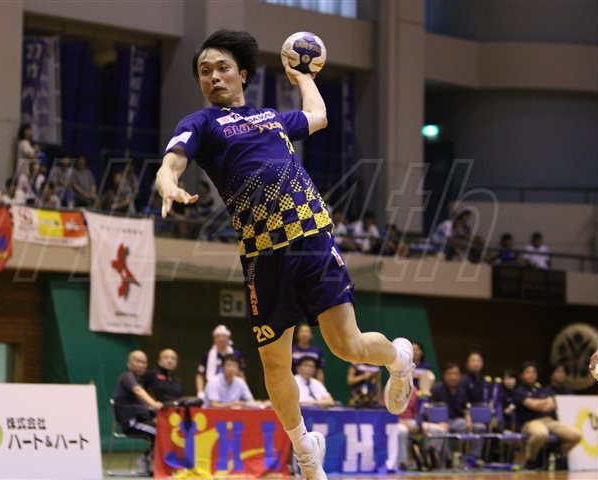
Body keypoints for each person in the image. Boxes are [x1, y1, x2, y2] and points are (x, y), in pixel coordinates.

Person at [155, 30, 414, 479]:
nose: (213, 77)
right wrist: (167, 184)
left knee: (346, 345)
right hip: (262, 257)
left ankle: (399, 359)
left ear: (243, 74)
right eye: (204, 71)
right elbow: (172, 161)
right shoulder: (201, 123)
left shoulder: (272, 118)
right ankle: (305, 448)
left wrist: (303, 76)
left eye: (222, 68)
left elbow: (318, 116)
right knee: (274, 366)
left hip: (310, 236)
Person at [514, 361, 580, 470]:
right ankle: (530, 460)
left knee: (575, 435)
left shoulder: (542, 389)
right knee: (541, 434)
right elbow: (533, 405)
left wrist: (538, 403)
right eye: (528, 372)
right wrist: (543, 402)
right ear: (522, 375)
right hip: (530, 422)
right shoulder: (519, 391)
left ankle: (559, 455)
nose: (531, 375)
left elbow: (551, 406)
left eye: (534, 372)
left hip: (548, 420)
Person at [113, 351, 161, 475]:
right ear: (129, 363)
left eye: (144, 362)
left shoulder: (139, 380)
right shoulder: (127, 376)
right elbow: (138, 391)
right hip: (131, 423)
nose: (141, 365)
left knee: (166, 430)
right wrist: (154, 404)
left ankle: (151, 462)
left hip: (141, 420)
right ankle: (146, 461)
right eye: (137, 361)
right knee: (162, 434)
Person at [427, 363, 485, 460]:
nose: (453, 377)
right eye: (450, 374)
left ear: (460, 376)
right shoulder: (436, 389)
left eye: (456, 374)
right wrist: (440, 422)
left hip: (457, 422)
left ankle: (472, 458)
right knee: (439, 431)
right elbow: (430, 409)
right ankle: (442, 459)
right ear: (444, 375)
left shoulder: (462, 390)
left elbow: (466, 408)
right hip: (440, 422)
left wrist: (468, 419)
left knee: (479, 427)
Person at [196, 324, 245, 398]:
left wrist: (242, 391)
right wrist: (200, 392)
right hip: (212, 390)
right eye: (218, 336)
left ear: (228, 338)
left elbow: (241, 374)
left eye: (223, 336)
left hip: (232, 390)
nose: (221, 339)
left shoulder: (236, 354)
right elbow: (200, 375)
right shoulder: (207, 355)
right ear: (214, 339)